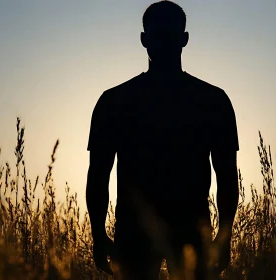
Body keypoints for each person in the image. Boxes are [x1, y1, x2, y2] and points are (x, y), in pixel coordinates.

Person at [86, 1, 239, 279]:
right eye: (159, 35)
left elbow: (227, 174)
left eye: (168, 35)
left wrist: (224, 237)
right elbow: (98, 174)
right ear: (145, 40)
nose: (164, 42)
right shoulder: (211, 100)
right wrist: (98, 234)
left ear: (183, 39)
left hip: (171, 233)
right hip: (145, 233)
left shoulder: (116, 100)